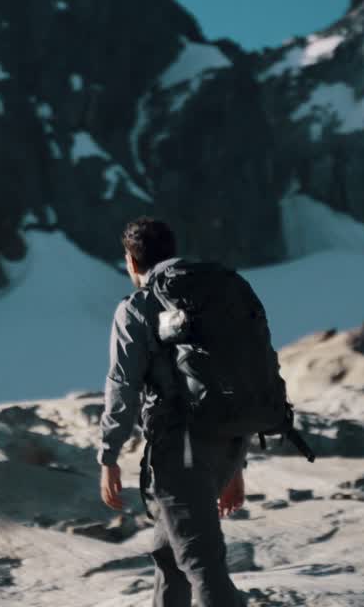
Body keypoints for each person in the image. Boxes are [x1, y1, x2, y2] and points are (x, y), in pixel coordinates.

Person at [97, 216, 250, 607]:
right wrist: (236, 463)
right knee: (170, 558)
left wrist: (109, 455)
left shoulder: (136, 307)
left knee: (202, 565)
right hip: (224, 443)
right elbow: (240, 374)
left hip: (180, 451)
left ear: (132, 262)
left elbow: (122, 386)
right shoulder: (212, 297)